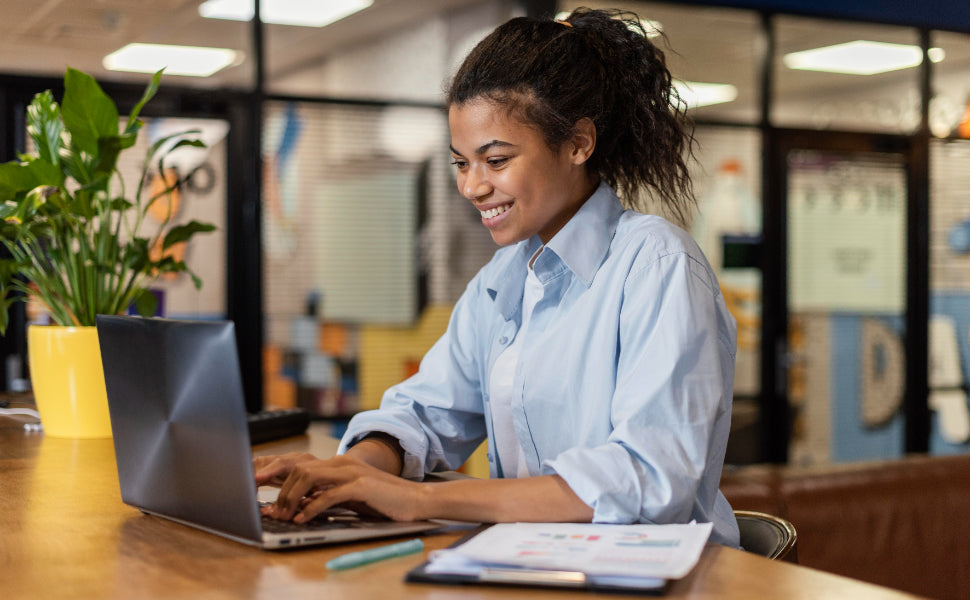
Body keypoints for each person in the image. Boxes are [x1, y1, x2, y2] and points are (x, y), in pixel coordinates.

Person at [255, 7, 740, 547]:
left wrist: (421, 500)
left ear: (578, 143)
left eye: (497, 160)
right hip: (538, 560)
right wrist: (357, 470)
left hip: (661, 573)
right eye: (461, 163)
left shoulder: (657, 265)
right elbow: (426, 411)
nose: (472, 187)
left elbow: (646, 479)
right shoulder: (504, 277)